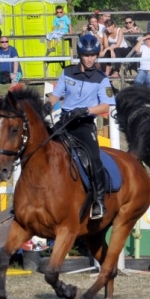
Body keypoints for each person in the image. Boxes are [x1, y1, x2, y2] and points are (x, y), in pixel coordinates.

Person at [45, 34, 115, 220]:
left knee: (94, 158)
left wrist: (86, 110)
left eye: (93, 55)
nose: (90, 58)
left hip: (84, 124)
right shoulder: (67, 73)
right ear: (80, 55)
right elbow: (56, 95)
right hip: (65, 121)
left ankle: (99, 201)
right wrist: (46, 105)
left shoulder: (101, 79)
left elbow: (106, 105)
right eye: (86, 55)